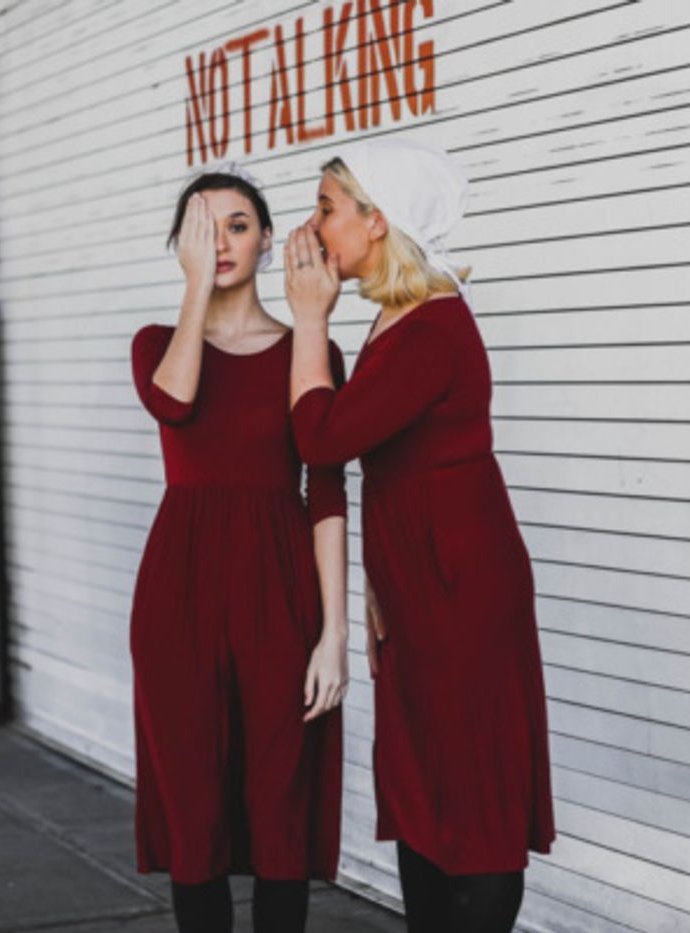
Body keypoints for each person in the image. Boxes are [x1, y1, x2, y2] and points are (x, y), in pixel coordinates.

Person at [282, 137, 556, 933]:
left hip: (462, 586)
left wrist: (307, 318)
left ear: (378, 220)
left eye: (327, 208)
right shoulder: (399, 319)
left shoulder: (432, 328)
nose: (313, 225)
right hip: (421, 578)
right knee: (424, 785)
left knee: (470, 792)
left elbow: (322, 438)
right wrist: (376, 584)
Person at [128, 164, 349, 933]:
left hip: (279, 583)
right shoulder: (158, 343)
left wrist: (336, 630)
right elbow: (175, 401)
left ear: (265, 240)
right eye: (201, 226)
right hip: (178, 591)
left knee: (280, 804)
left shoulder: (309, 345)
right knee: (195, 813)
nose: (220, 241)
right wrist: (197, 292)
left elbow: (325, 490)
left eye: (237, 224)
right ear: (180, 245)